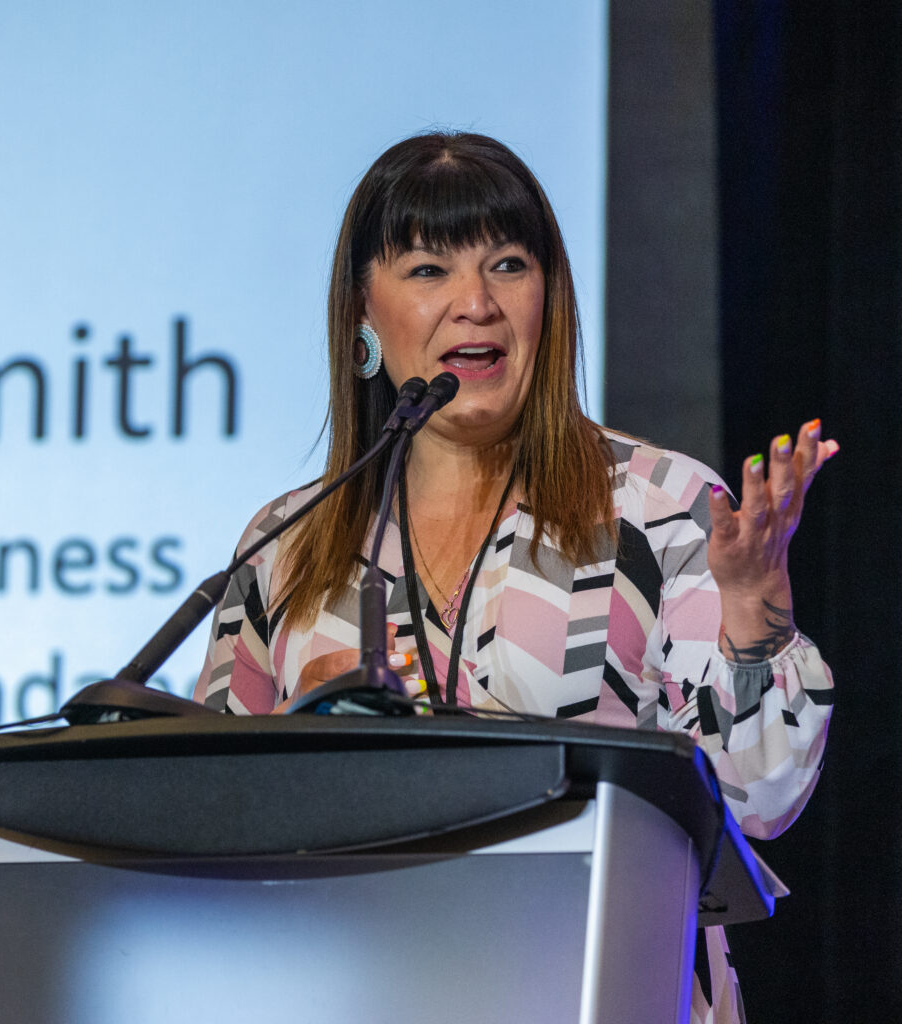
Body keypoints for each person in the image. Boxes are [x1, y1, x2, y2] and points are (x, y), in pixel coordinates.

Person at [195, 131, 836, 1024]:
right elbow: (214, 826)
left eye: (507, 265)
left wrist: (755, 613)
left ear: (549, 298)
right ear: (362, 317)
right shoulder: (288, 545)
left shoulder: (661, 507)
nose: (476, 305)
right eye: (429, 270)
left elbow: (759, 798)